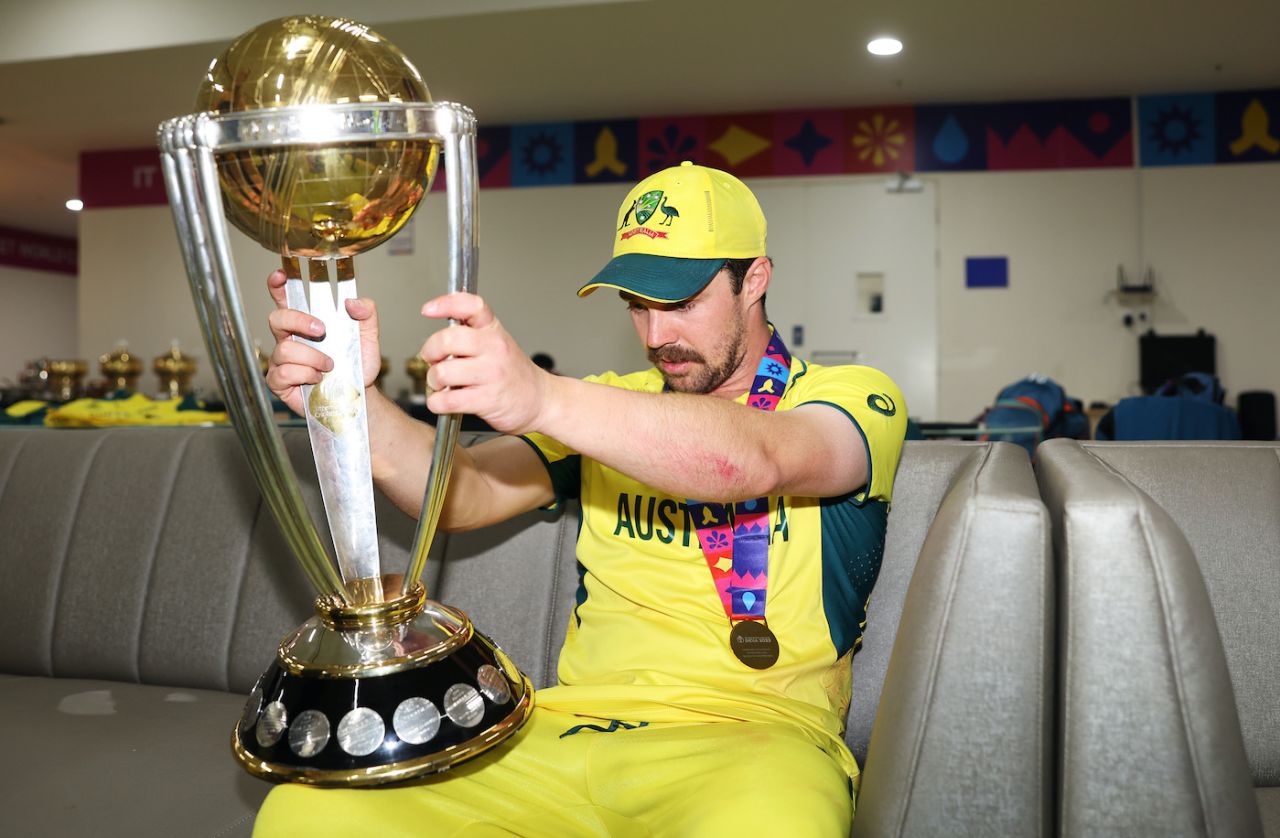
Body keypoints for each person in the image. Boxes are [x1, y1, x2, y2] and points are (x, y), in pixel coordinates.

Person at [254, 162, 907, 837]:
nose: (655, 336)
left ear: (756, 280)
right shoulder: (607, 405)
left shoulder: (854, 397)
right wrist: (348, 404)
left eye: (680, 302)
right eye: (635, 303)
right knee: (309, 810)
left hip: (753, 744)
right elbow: (458, 496)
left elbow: (755, 459)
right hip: (562, 732)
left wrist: (544, 396)